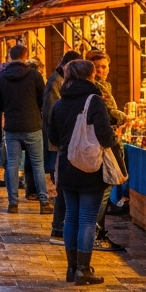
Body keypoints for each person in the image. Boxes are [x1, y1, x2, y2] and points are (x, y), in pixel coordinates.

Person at [47, 59, 115, 286]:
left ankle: (71, 268)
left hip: (67, 165)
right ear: (91, 75)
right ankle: (83, 270)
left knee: (71, 216)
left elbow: (53, 137)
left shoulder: (60, 103)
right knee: (87, 218)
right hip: (89, 166)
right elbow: (105, 136)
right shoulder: (94, 101)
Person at [0, 44, 50, 214]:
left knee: (12, 164)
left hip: (12, 126)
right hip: (32, 125)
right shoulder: (34, 76)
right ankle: (44, 202)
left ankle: (13, 203)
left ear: (10, 56)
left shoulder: (2, 78)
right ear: (26, 56)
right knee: (38, 164)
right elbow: (43, 100)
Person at [84, 50, 129, 252]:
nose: (102, 70)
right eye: (97, 67)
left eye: (104, 66)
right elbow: (105, 116)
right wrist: (122, 117)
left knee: (103, 188)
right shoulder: (94, 88)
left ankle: (94, 231)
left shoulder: (104, 86)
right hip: (103, 143)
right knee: (103, 189)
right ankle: (95, 232)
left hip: (104, 141)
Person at [46, 51, 82, 244]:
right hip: (63, 143)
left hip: (64, 142)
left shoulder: (60, 81)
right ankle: (59, 228)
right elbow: (53, 115)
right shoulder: (57, 83)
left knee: (64, 185)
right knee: (63, 186)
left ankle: (62, 228)